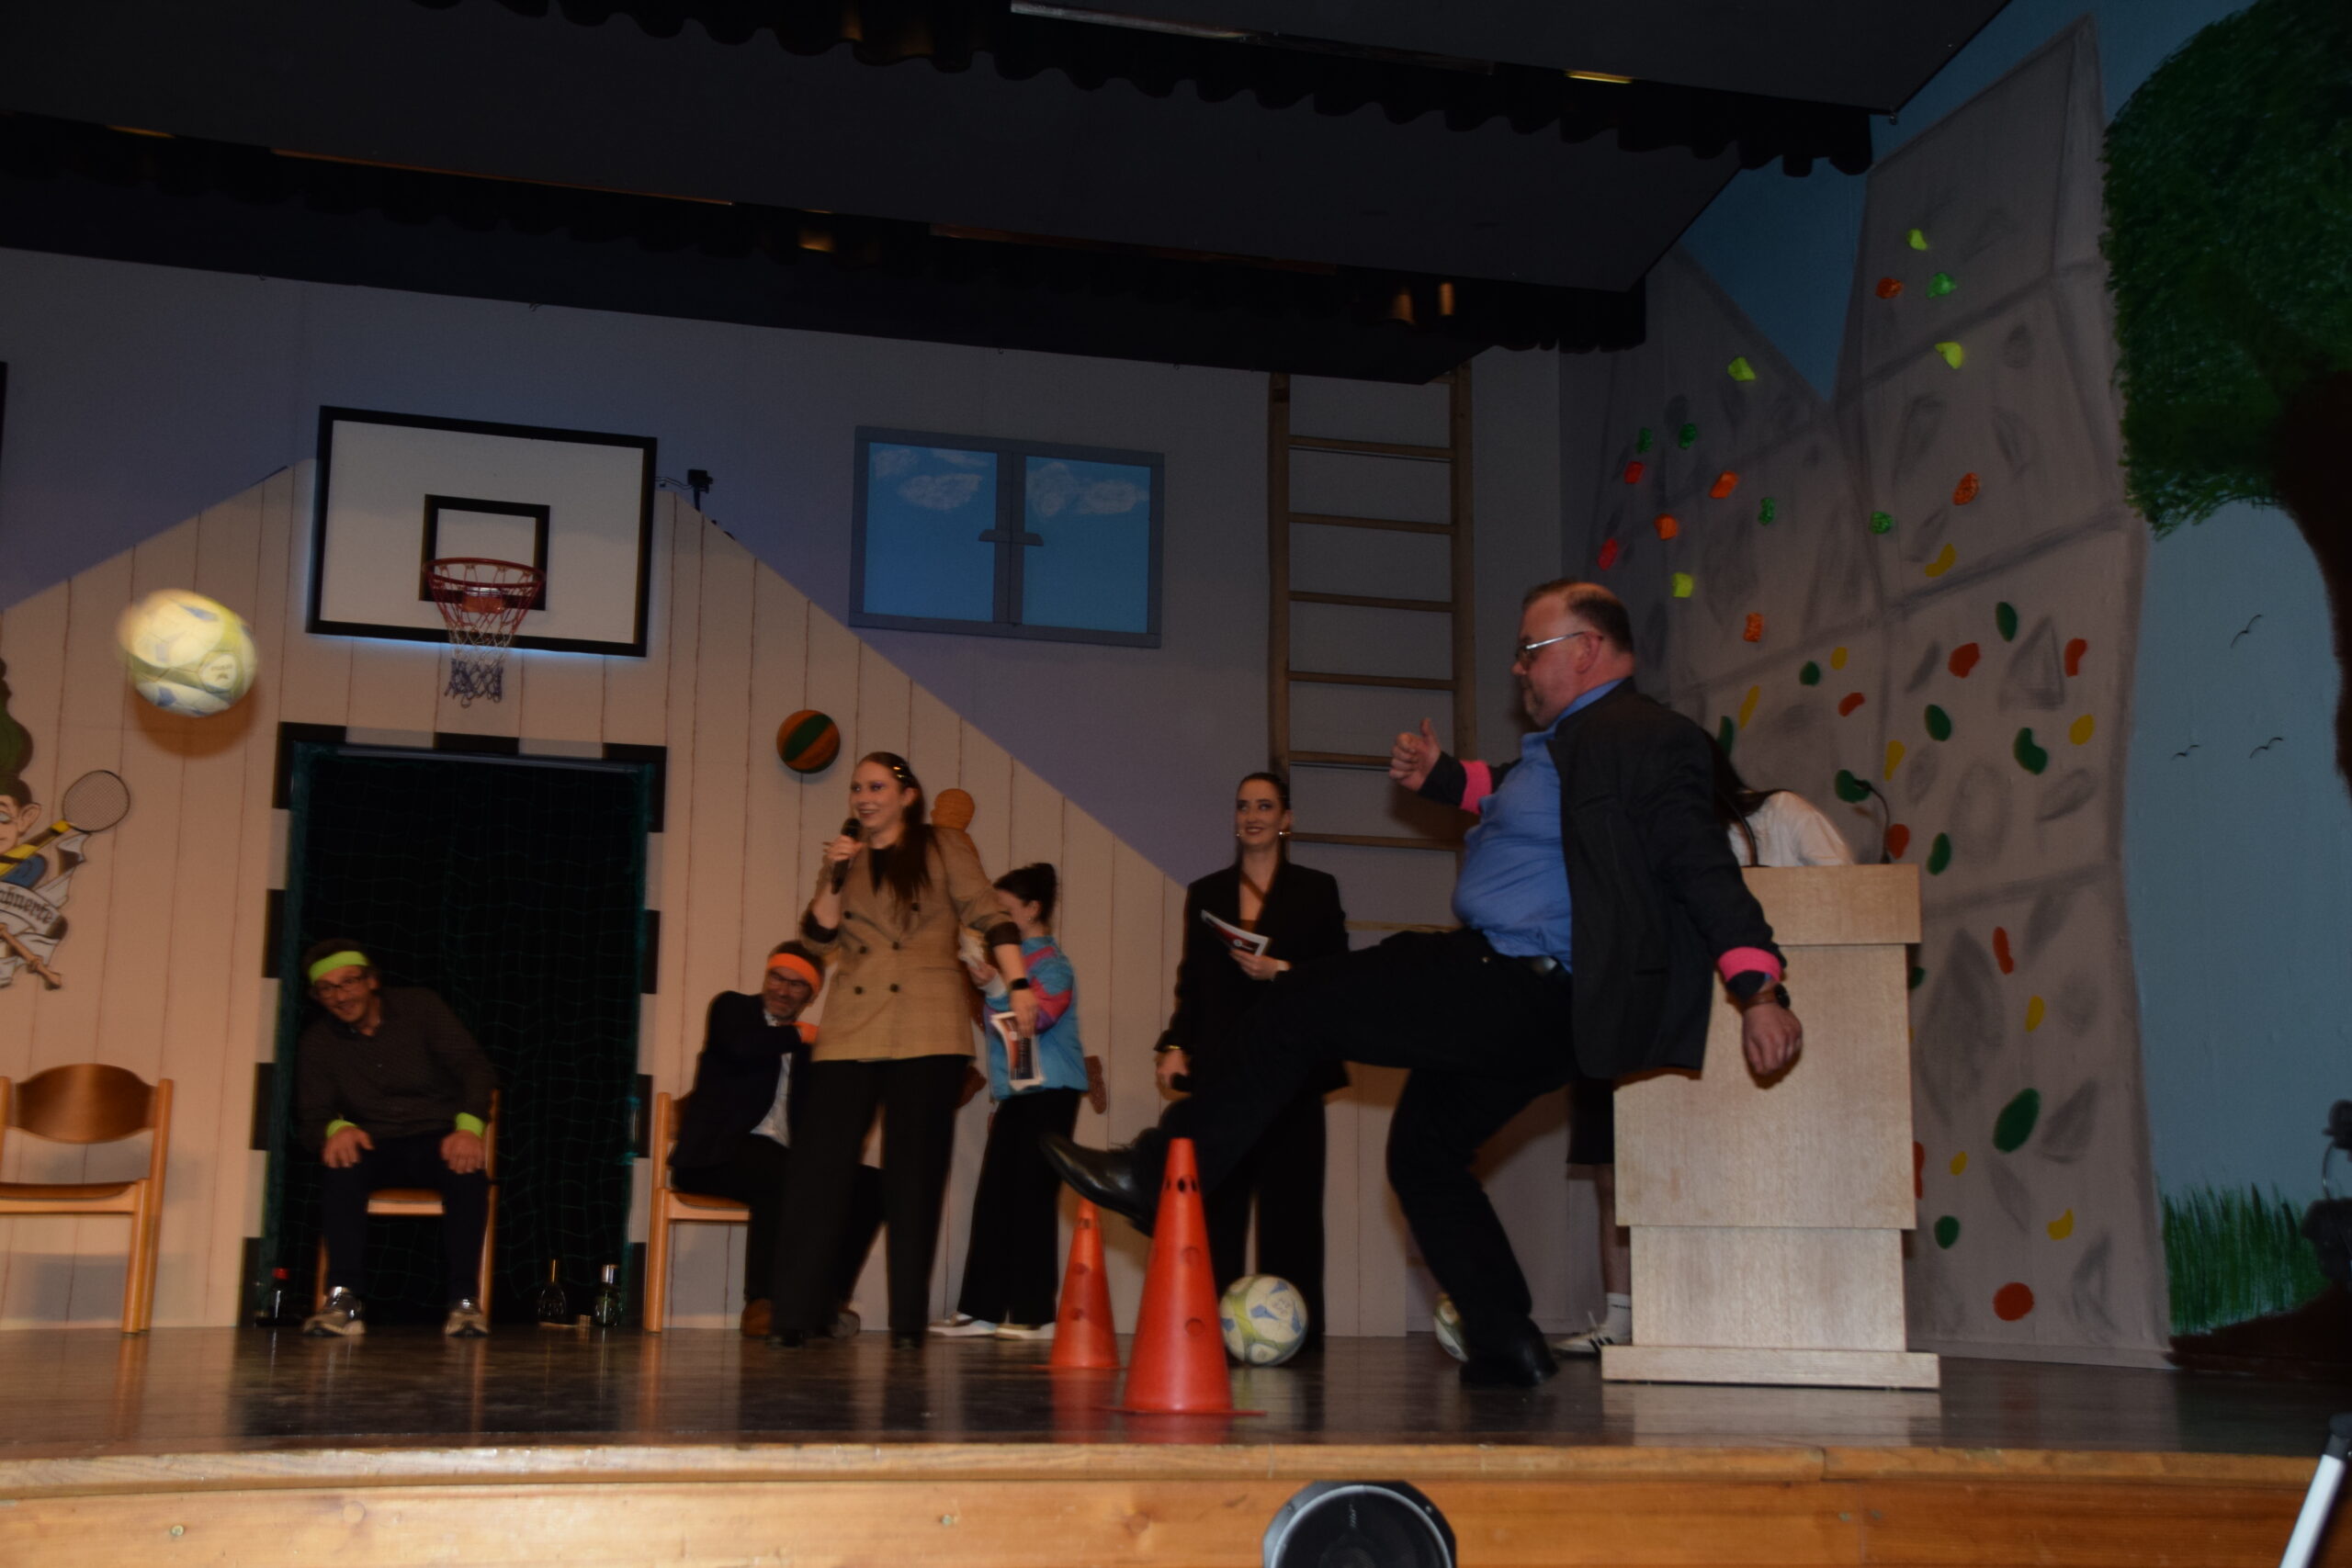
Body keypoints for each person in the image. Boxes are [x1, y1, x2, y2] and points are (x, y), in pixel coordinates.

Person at [1046, 578, 1803, 1387]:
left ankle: (1158, 1173)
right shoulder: (1572, 744)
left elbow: (1699, 864)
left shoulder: (1645, 737)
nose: (1518, 667)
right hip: (1528, 1005)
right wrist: (1444, 777)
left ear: (1587, 649)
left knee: (1297, 1002)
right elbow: (1516, 790)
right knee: (1424, 1153)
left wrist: (1759, 989)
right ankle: (1505, 1337)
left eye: (1531, 650)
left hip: (1514, 980)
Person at [1548, 740, 1852, 1358]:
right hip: (1647, 1014)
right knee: (1618, 1169)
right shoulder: (1633, 839)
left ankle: (1778, 1310)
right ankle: (1622, 1316)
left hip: (1755, 1019)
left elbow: (1849, 897)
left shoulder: (1780, 814)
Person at [765, 752, 1039, 1349]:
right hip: (852, 1025)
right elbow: (817, 936)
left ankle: (908, 1322)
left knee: (914, 1177)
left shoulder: (943, 846)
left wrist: (1018, 982)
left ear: (907, 795)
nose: (864, 797)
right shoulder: (846, 855)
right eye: (857, 788)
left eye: (877, 787)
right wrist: (835, 875)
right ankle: (793, 1313)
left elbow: (988, 914)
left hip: (927, 1023)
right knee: (818, 1170)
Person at [1153, 772, 1347, 1349]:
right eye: (1243, 806)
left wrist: (1280, 970)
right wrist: (1174, 1044)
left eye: (1265, 806)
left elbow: (1337, 975)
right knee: (1219, 1208)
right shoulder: (1207, 891)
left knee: (1293, 1211)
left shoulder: (1317, 888)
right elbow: (1192, 982)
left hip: (1292, 1070)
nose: (1252, 816)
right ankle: (1207, 1336)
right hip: (1225, 1070)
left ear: (1286, 819)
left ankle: (1298, 1340)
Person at [669, 941, 883, 1339]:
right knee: (779, 1170)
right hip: (713, 1157)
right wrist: (801, 1035)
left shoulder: (809, 1050)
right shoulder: (733, 1009)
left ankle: (827, 1303)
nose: (782, 990)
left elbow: (827, 1114)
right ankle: (761, 1303)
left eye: (796, 984)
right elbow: (740, 1047)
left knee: (870, 1186)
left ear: (811, 995)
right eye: (776, 978)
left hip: (778, 1160)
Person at [295, 941, 498, 1338]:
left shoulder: (419, 1008)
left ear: (371, 981)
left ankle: (464, 1302)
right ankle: (343, 1298)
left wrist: (469, 1128)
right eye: (327, 989)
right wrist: (336, 1130)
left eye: (348, 982)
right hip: (374, 1142)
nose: (340, 996)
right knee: (340, 1168)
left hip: (438, 1136)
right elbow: (311, 1115)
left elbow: (475, 1069)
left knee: (467, 1176)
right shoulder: (318, 1042)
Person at [932, 863, 1085, 1339]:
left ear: (1032, 910)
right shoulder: (1011, 963)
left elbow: (1034, 1019)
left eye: (1004, 908)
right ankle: (982, 1309)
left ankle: (1036, 1314)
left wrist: (997, 987)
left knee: (1032, 1198)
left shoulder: (1052, 963)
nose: (993, 918)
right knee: (996, 1198)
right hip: (1020, 1095)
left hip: (1052, 1093)